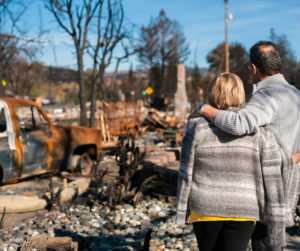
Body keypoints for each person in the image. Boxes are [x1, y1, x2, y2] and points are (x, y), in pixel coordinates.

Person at [188, 41, 300, 250]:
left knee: (264, 244)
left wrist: (204, 109)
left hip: (268, 184)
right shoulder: (295, 94)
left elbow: (238, 124)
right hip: (288, 180)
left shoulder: (266, 95)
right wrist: (294, 160)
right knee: (270, 243)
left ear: (255, 68)